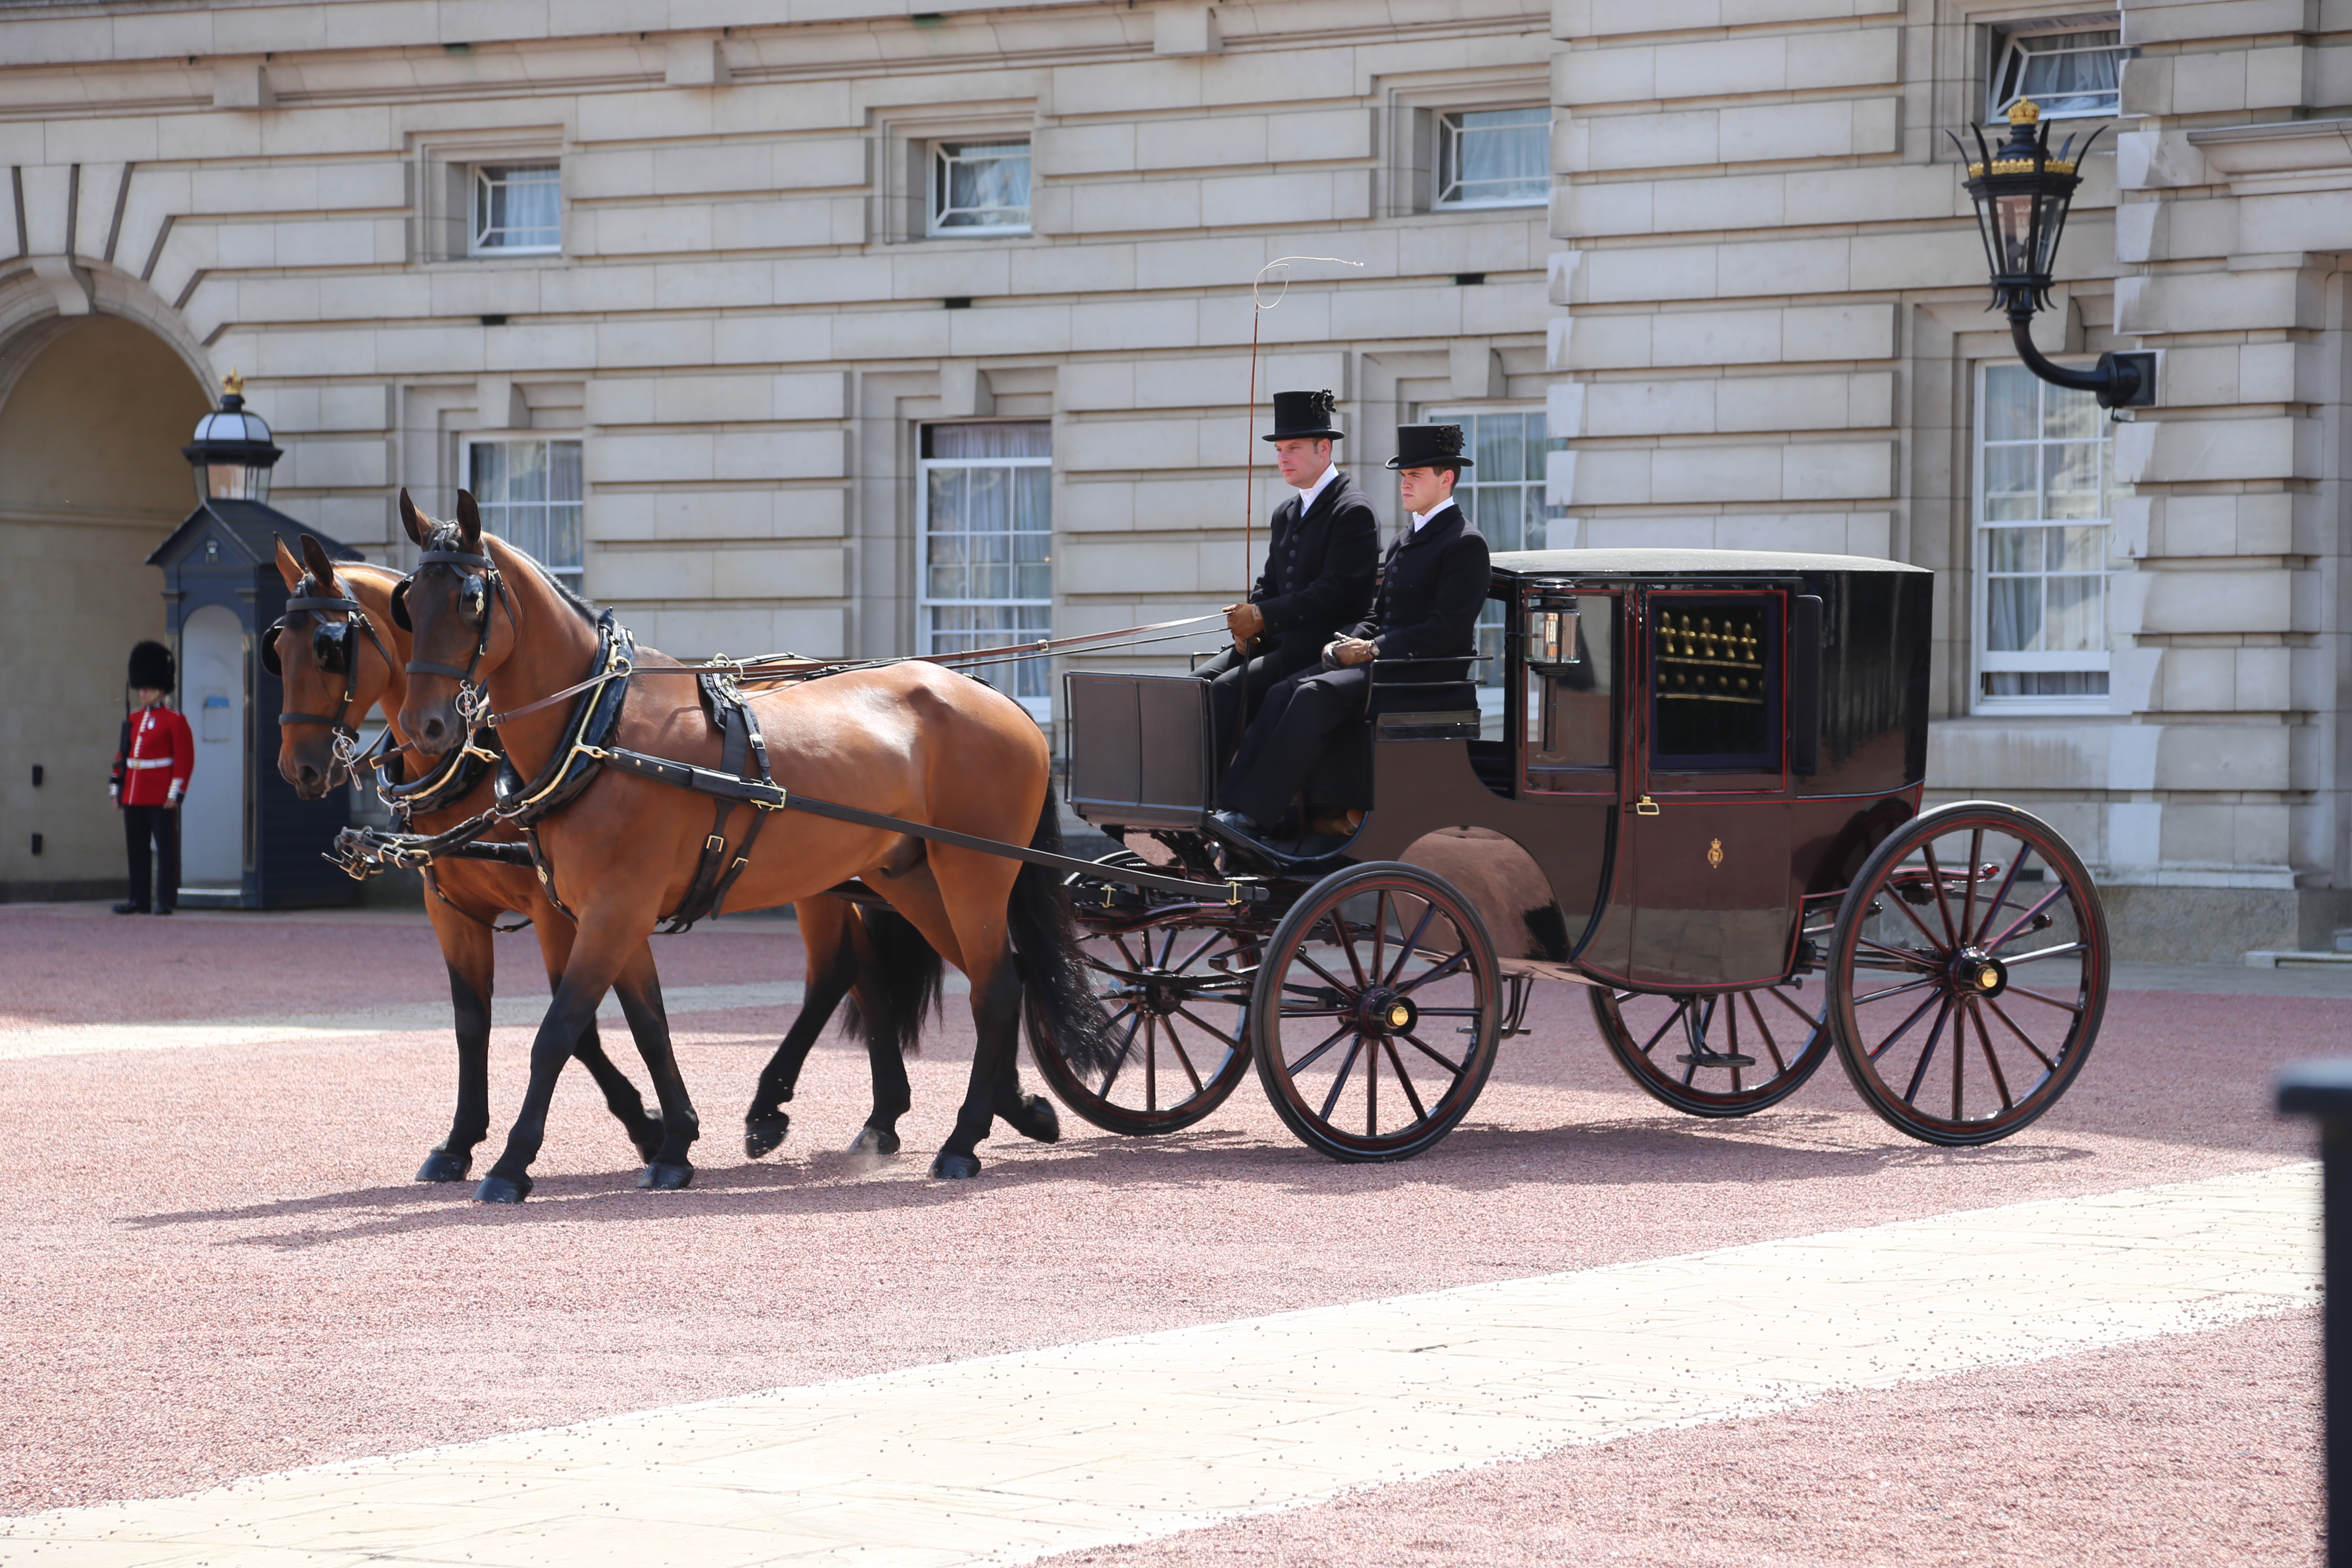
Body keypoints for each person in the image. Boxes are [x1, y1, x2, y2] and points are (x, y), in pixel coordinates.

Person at [1211, 423, 1489, 853]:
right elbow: (1380, 613)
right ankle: (1229, 806)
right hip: (1386, 665)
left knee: (1313, 694)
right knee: (1288, 688)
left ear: (1446, 479)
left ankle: (1253, 813)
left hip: (1424, 677)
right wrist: (1344, 641)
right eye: (1403, 477)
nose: (1405, 485)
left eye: (1415, 476)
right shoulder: (1405, 540)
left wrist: (1375, 649)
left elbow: (1445, 629)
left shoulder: (1464, 543)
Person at [1193, 389, 1378, 764]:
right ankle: (1178, 788)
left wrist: (1264, 617)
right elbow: (1271, 582)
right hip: (1278, 640)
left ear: (1323, 449)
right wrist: (1250, 623)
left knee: (1226, 690)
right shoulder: (1286, 511)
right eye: (1278, 451)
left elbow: (1335, 591)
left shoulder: (1352, 510)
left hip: (1320, 645)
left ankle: (1209, 799)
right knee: (1196, 683)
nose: (1282, 458)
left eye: (1293, 448)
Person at [110, 640, 193, 916]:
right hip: (134, 793)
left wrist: (175, 793)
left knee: (166, 851)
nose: (143, 692)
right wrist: (117, 789)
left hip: (160, 795)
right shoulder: (133, 719)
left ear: (160, 688)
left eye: (147, 688)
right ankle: (139, 900)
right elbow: (122, 755)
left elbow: (183, 760)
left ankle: (166, 900)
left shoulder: (175, 720)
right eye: (141, 688)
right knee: (137, 850)